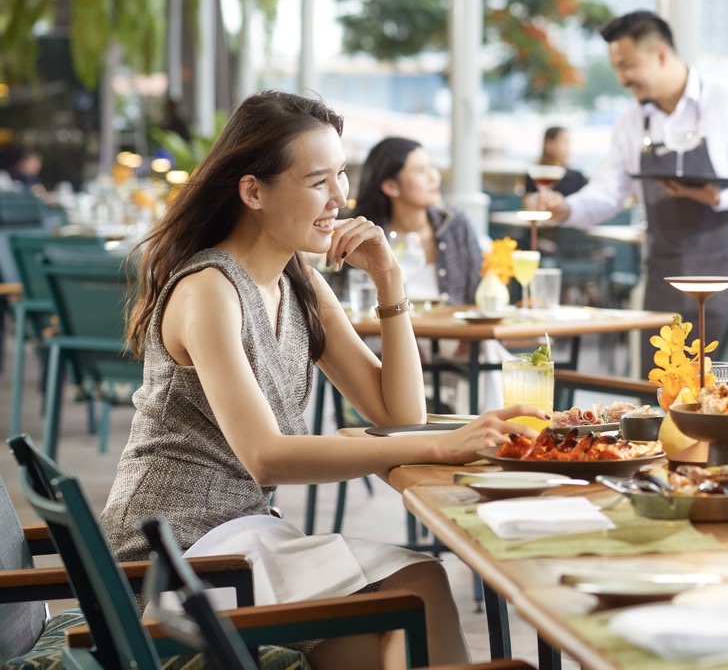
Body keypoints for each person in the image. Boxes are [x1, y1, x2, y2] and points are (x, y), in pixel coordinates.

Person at [102, 90, 542, 669]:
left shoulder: (298, 280)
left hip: (239, 542)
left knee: (409, 615)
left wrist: (389, 281)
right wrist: (442, 443)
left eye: (341, 175)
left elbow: (396, 416)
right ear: (253, 190)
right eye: (318, 182)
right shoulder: (209, 289)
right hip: (171, 558)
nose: (340, 198)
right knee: (419, 585)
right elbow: (266, 457)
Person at [535, 10, 728, 349]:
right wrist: (565, 208)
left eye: (627, 66)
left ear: (660, 54)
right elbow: (609, 191)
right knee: (662, 390)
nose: (622, 78)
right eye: (617, 68)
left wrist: (717, 197)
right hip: (664, 278)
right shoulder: (630, 121)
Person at [352, 136, 485, 305]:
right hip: (389, 331)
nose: (434, 177)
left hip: (454, 331)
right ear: (391, 187)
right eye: (420, 170)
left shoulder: (455, 225)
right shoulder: (367, 239)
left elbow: (479, 294)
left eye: (432, 167)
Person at [523, 126, 588, 197]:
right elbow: (528, 201)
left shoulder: (577, 177)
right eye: (564, 141)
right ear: (549, 145)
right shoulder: (536, 174)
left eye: (568, 142)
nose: (568, 146)